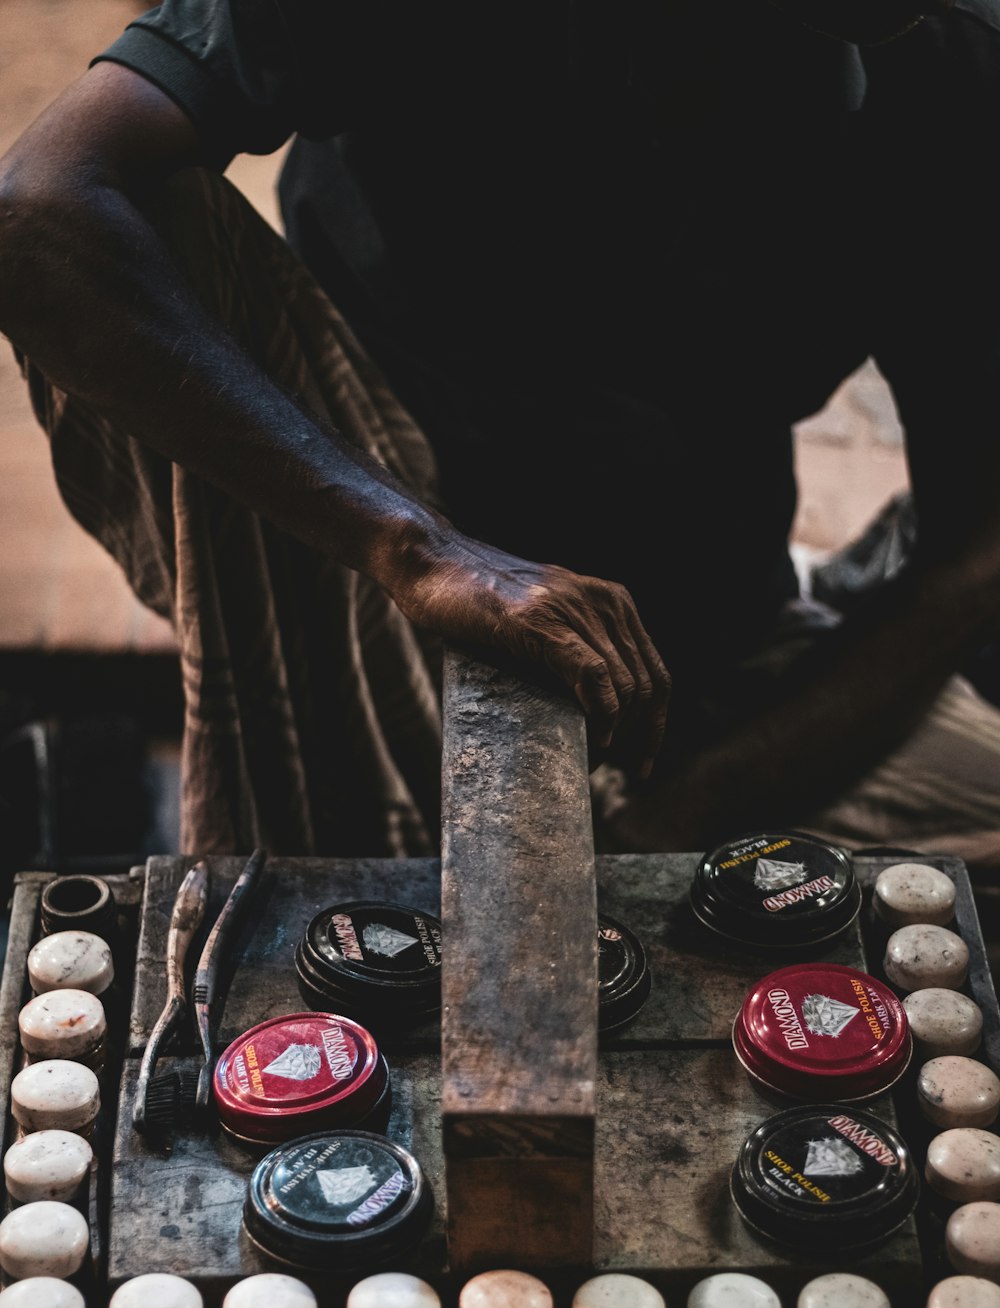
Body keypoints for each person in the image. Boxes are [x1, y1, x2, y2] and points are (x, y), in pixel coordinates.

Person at [1, 0, 999, 882]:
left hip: (705, 661)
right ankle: (338, 818)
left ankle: (599, 826)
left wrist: (686, 811)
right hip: (369, 598)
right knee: (133, 218)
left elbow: (972, 562)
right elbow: (33, 214)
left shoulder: (953, 68)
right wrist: (415, 550)